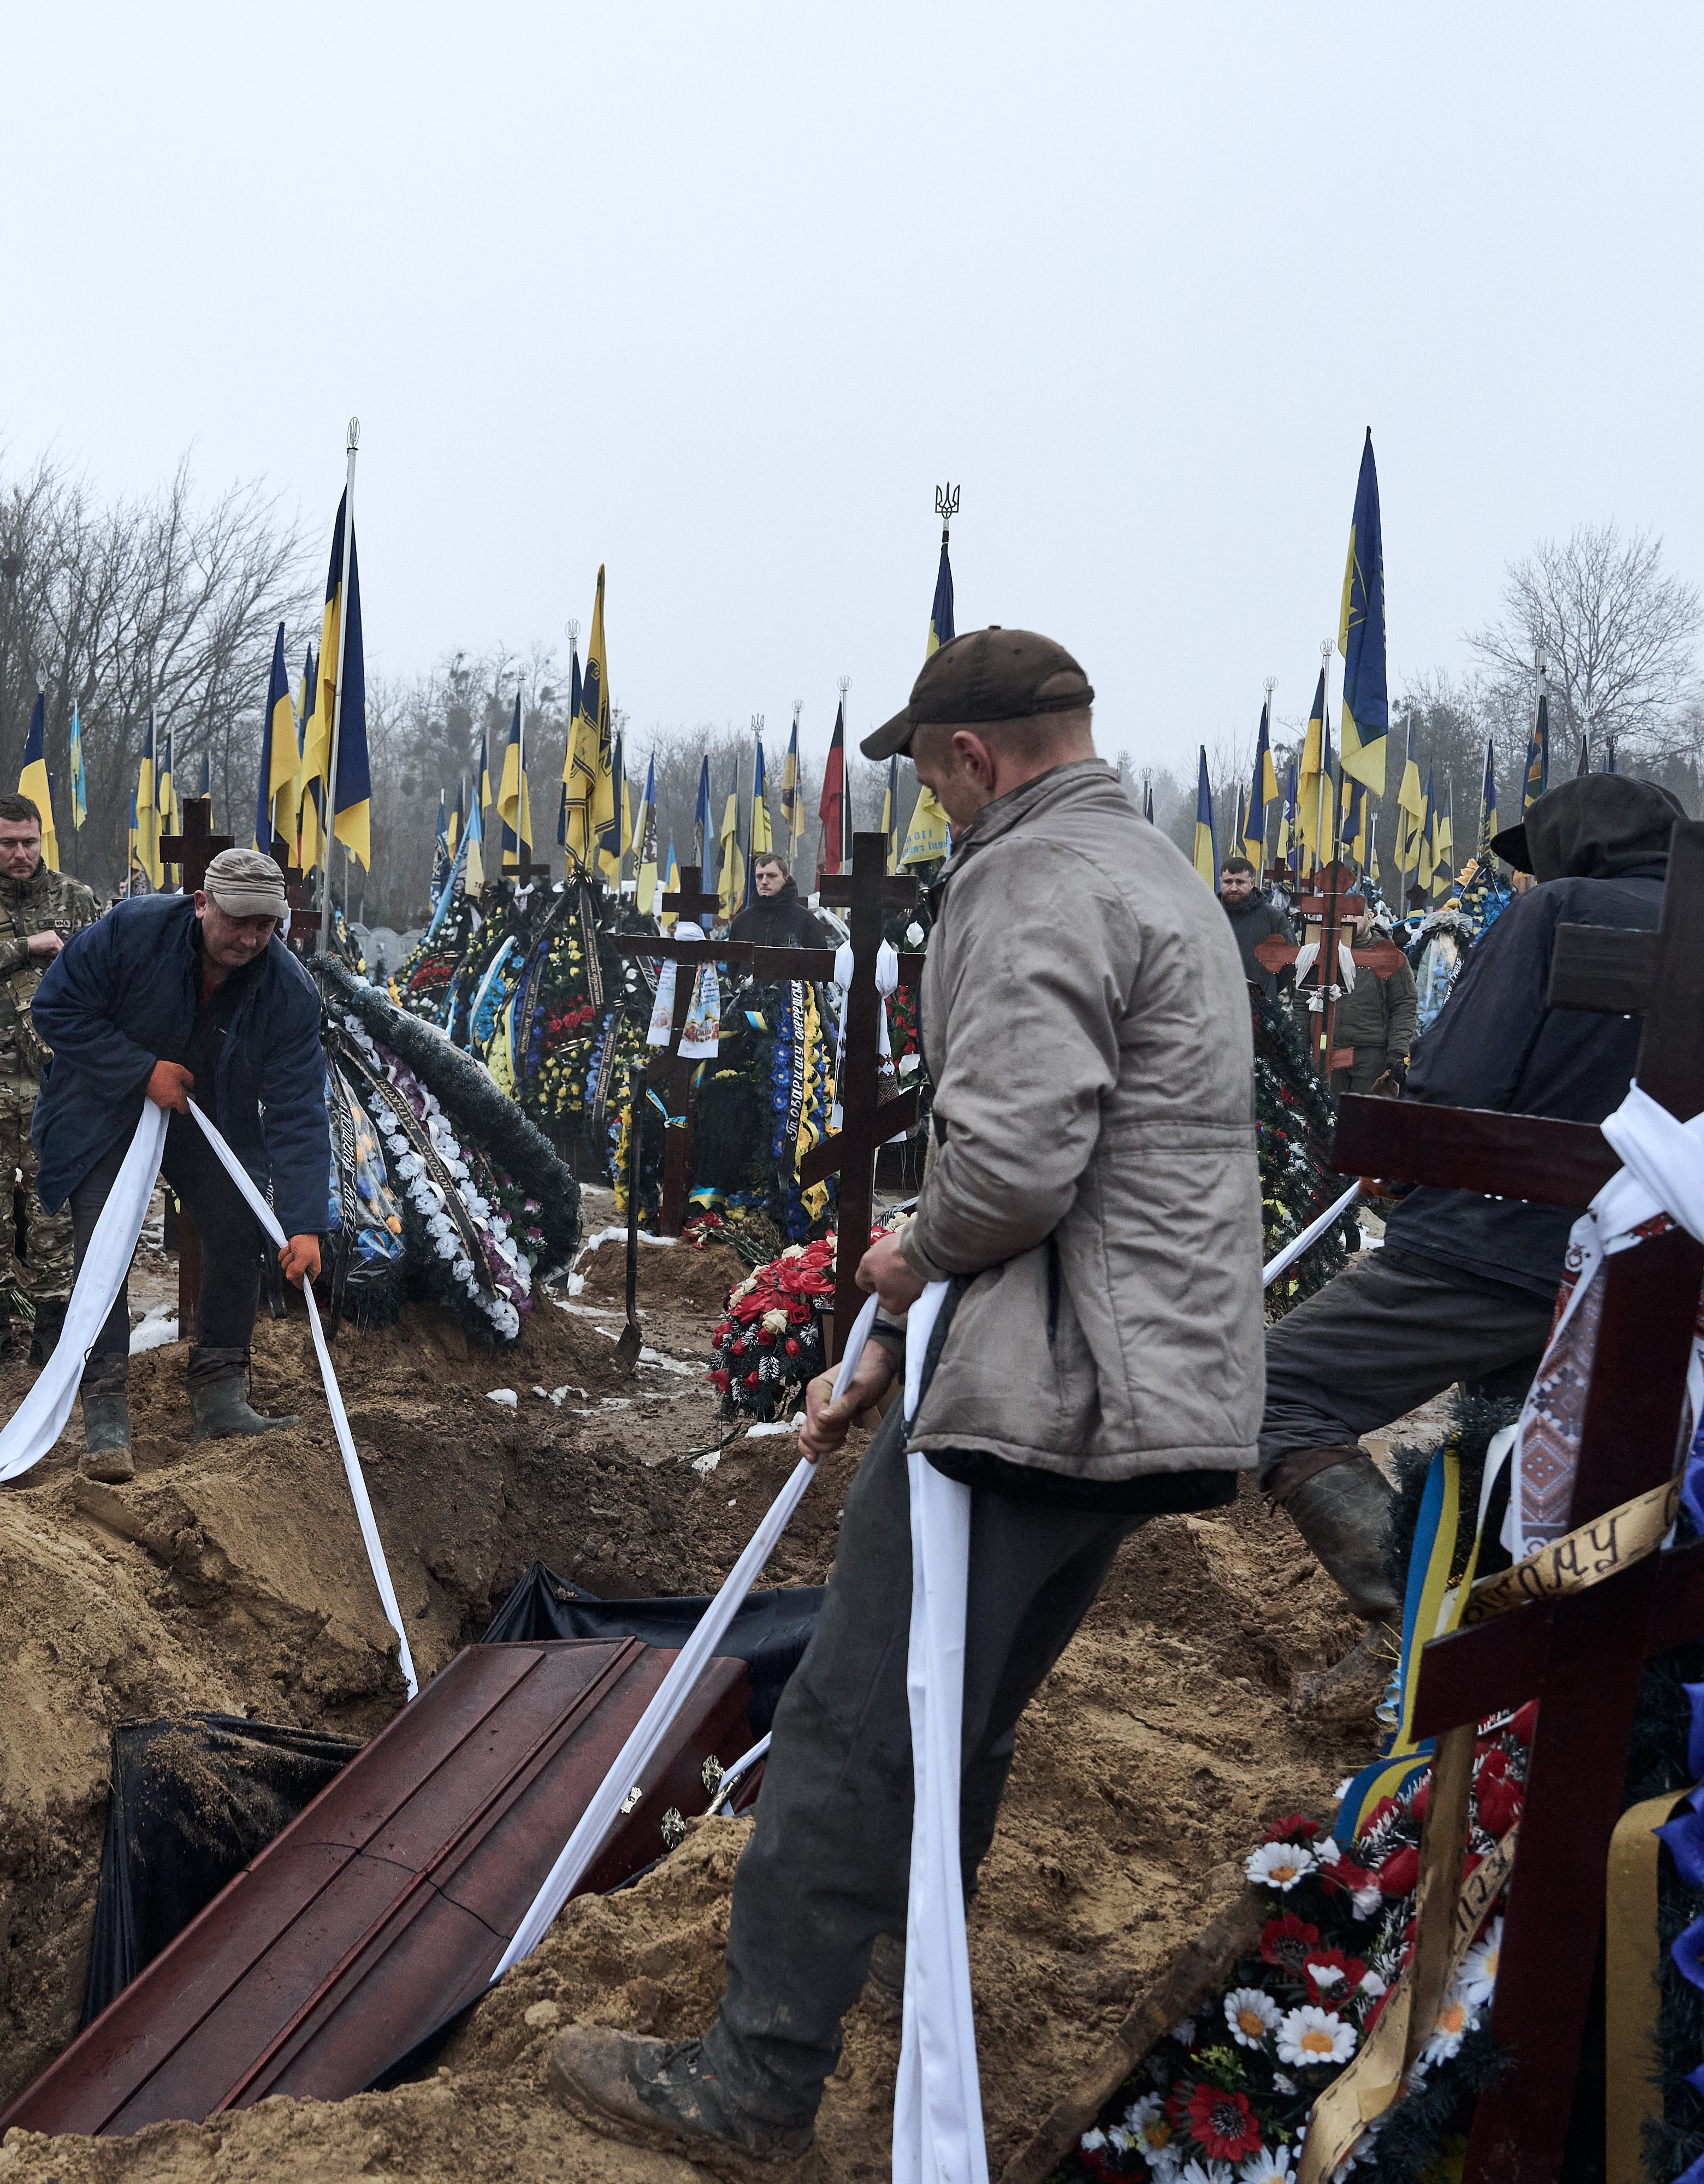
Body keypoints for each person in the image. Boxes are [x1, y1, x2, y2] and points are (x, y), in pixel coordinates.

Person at [546, 628, 1259, 2166]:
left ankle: (756, 2080)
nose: (932, 812)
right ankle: (886, 1974)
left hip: (1039, 1396)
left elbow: (1009, 1169)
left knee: (853, 1724)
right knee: (965, 1714)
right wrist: (894, 1342)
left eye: (929, 781)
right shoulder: (1160, 873)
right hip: (1147, 1400)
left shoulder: (1026, 881)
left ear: (970, 759)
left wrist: (899, 1260)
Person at [1253, 773, 1704, 1657]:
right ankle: (1511, 1671)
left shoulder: (1556, 911)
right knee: (1515, 1465)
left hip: (1487, 1255)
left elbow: (1457, 1087)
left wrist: (1409, 1161)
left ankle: (1437, 1625)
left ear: (1574, 850)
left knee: (1273, 1388)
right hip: (1649, 1282)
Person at [31, 847, 329, 1480]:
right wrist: (142, 1071)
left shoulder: (289, 992)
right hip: (103, 1101)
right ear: (202, 904)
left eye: (265, 926)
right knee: (106, 1246)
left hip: (208, 1112)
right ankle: (106, 1410)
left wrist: (303, 1223)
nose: (249, 938)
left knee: (237, 1228)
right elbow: (55, 1009)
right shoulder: (130, 930)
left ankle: (221, 1394)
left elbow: (299, 1110)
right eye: (236, 921)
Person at [0, 794, 107, 1355]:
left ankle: (52, 1331)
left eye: (29, 841)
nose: (20, 852)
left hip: (55, 1081)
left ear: (41, 839)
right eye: (8, 842)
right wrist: (24, 947)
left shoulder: (76, 897)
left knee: (51, 1207)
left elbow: (105, 978)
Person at [1321, 905, 1418, 1097]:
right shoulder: (1322, 953)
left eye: (1355, 915)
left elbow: (1404, 1005)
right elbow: (1303, 999)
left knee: (1364, 1117)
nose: (1348, 920)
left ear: (1370, 917)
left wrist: (1397, 1052)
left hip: (1370, 1054)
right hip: (1327, 1049)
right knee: (1326, 1119)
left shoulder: (1390, 957)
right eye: (1343, 915)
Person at [726, 851, 834, 951]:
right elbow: (733, 966)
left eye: (771, 876)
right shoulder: (741, 922)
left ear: (785, 880)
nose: (764, 881)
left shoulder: (806, 921)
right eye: (760, 876)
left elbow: (820, 964)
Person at [1220, 854, 1289, 1005]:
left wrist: (1266, 989)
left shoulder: (1274, 918)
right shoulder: (1207, 916)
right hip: (1215, 1005)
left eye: (1240, 882)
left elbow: (1289, 965)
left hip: (1260, 1009)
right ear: (1221, 882)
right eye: (1228, 882)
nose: (1233, 888)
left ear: (1252, 883)